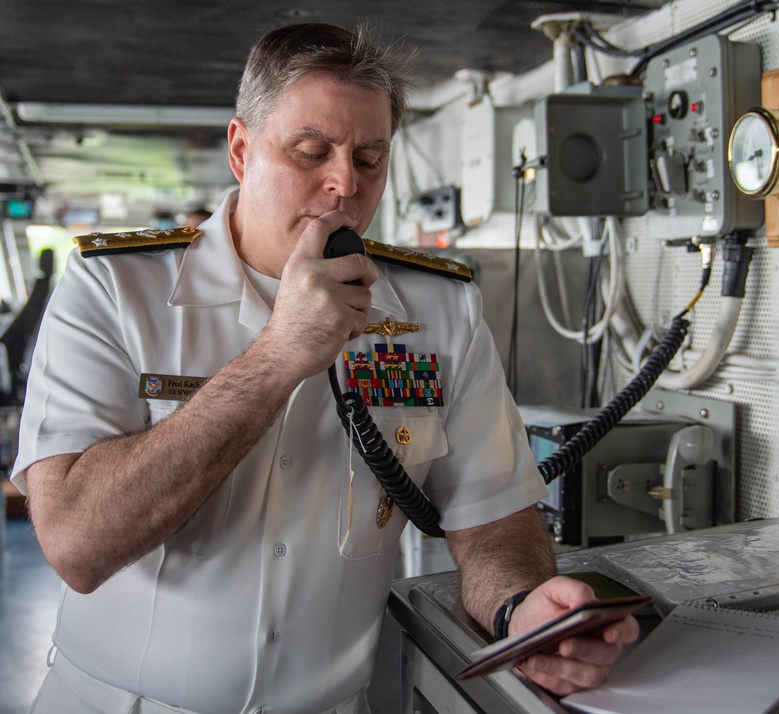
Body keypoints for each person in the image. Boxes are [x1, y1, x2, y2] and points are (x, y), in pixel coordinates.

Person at [11, 21, 638, 714]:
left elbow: (493, 519)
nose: (344, 183)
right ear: (242, 150)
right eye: (312, 152)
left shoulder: (438, 309)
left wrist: (521, 610)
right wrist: (280, 356)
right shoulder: (115, 289)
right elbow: (75, 541)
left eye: (371, 158)